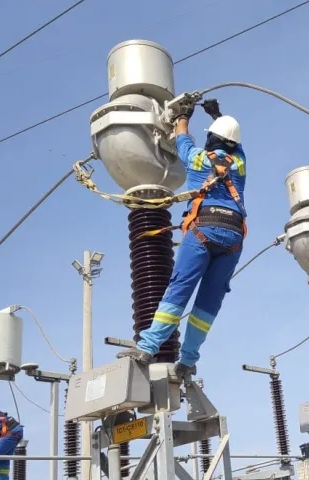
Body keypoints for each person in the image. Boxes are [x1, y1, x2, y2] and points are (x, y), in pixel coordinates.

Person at [117, 99, 247, 375]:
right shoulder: (240, 164)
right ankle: (188, 362)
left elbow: (181, 139)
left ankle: (147, 347)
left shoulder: (198, 158)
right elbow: (235, 143)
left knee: (179, 289)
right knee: (208, 302)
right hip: (234, 239)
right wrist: (217, 114)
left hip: (203, 230)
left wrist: (182, 115)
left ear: (211, 137)